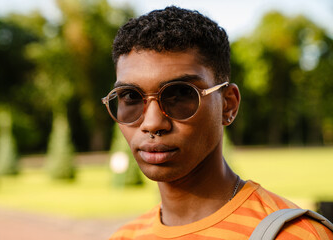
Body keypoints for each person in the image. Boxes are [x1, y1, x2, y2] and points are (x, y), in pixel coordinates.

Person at [102, 6, 333, 240]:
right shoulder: (125, 236)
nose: (152, 123)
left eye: (180, 94)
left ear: (228, 105)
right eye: (130, 96)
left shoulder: (296, 235)